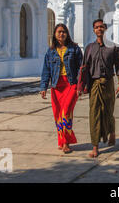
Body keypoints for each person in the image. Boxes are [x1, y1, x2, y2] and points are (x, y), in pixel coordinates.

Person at [79, 19, 119, 158]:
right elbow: (84, 67)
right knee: (94, 114)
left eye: (102, 27)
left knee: (108, 111)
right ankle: (95, 146)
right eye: (97, 27)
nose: (99, 29)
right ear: (93, 30)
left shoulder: (113, 47)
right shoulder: (89, 48)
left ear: (105, 29)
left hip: (108, 83)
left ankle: (112, 131)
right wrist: (80, 86)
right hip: (94, 84)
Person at [40, 23, 83, 154]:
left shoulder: (74, 49)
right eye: (59, 32)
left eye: (63, 31)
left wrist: (80, 85)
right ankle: (62, 140)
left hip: (70, 85)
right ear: (54, 34)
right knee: (58, 114)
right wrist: (44, 87)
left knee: (66, 112)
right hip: (56, 87)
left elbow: (81, 68)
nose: (61, 34)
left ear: (67, 33)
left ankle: (66, 143)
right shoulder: (51, 51)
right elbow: (46, 70)